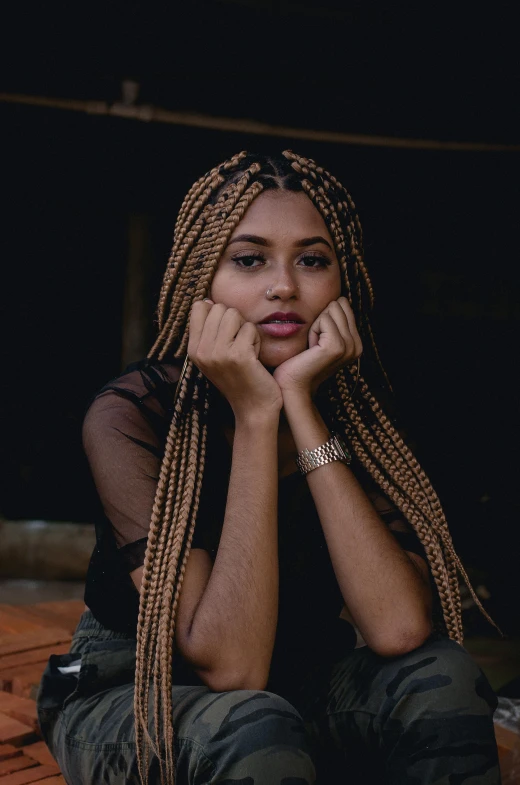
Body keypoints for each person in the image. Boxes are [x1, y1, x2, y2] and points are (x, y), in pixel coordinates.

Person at [37, 151, 501, 785]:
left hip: (297, 685)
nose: (283, 285)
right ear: (204, 281)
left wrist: (302, 408)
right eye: (249, 259)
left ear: (344, 284)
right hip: (135, 693)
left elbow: (397, 628)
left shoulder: (356, 413)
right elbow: (230, 670)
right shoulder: (131, 415)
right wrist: (256, 417)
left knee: (443, 677)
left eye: (312, 260)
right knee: (250, 722)